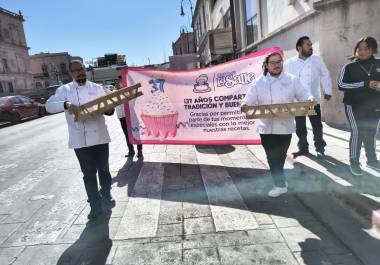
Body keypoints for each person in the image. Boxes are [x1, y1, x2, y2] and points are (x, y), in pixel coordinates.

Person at [45, 60, 115, 221]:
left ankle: (106, 195)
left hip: (100, 136)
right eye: (76, 70)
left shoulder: (97, 88)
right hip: (80, 140)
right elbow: (48, 106)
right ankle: (95, 205)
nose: (80, 72)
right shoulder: (65, 90)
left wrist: (110, 109)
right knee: (88, 174)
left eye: (81, 68)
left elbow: (109, 109)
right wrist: (65, 104)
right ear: (71, 73)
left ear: (85, 69)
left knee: (104, 169)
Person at [241, 52, 311, 197]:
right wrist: (244, 104)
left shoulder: (292, 80)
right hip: (266, 128)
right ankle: (280, 184)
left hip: (285, 127)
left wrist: (310, 99)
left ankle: (280, 184)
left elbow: (304, 95)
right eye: (272, 63)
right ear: (266, 66)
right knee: (271, 156)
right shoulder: (258, 82)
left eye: (279, 62)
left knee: (279, 156)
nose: (276, 65)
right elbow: (249, 99)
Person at [338, 36, 380, 176]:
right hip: (354, 105)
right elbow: (341, 85)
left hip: (375, 105)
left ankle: (372, 160)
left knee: (371, 132)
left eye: (366, 48)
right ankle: (354, 162)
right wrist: (365, 84)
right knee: (357, 132)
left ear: (372, 49)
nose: (362, 51)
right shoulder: (349, 67)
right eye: (359, 48)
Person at [284, 36, 333, 158]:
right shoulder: (290, 63)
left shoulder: (316, 59)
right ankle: (303, 148)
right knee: (300, 127)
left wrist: (328, 90)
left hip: (313, 99)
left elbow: (325, 74)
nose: (311, 47)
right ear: (299, 48)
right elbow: (281, 77)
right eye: (308, 45)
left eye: (311, 44)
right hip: (297, 101)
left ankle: (320, 148)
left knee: (317, 125)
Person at [115, 76, 143, 158]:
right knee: (127, 134)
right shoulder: (115, 93)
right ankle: (131, 151)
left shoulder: (131, 92)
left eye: (123, 81)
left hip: (132, 116)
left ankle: (140, 151)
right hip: (122, 117)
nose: (121, 83)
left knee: (136, 133)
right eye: (120, 82)